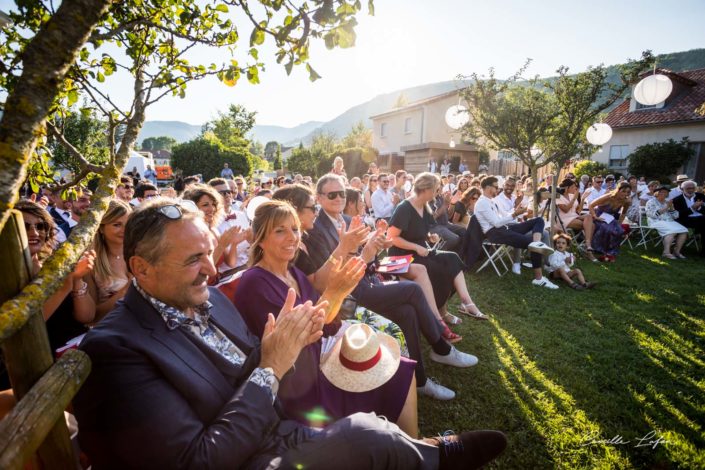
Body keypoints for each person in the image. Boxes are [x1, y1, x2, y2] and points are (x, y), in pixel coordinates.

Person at [73, 198, 507, 469]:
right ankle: (436, 455)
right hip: (248, 454)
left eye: (209, 253)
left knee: (371, 426)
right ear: (140, 269)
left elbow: (265, 362)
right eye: (193, 260)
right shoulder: (116, 348)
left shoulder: (208, 299)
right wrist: (272, 365)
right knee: (365, 434)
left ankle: (426, 450)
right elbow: (197, 459)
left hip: (276, 424)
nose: (211, 269)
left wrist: (292, 341)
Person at [233, 200, 418, 436]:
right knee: (399, 373)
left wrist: (338, 290)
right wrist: (335, 292)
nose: (292, 237)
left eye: (295, 229)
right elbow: (299, 339)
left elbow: (327, 320)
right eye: (280, 230)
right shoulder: (254, 283)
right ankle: (414, 450)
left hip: (321, 360)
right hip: (303, 387)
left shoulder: (291, 272)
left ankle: (413, 447)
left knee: (400, 368)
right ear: (259, 237)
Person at [305, 174, 478, 400]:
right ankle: (441, 348)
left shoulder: (346, 221)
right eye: (332, 195)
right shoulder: (316, 231)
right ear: (319, 198)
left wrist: (376, 244)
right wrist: (366, 254)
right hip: (349, 294)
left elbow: (362, 258)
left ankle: (420, 380)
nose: (339, 198)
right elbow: (329, 277)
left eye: (342, 194)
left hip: (365, 280)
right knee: (413, 290)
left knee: (407, 312)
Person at [388, 173, 487, 320]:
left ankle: (466, 302)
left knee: (452, 258)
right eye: (436, 189)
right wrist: (415, 247)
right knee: (438, 269)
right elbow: (391, 237)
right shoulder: (404, 208)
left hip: (421, 252)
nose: (437, 193)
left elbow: (422, 230)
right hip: (401, 257)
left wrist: (429, 236)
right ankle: (440, 314)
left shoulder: (425, 207)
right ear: (426, 189)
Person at [473, 176, 558, 289]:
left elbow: (500, 220)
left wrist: (516, 212)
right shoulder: (482, 203)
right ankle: (539, 279)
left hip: (504, 228)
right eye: (496, 187)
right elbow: (496, 223)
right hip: (495, 233)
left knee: (538, 220)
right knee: (532, 244)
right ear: (488, 187)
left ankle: (537, 243)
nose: (498, 189)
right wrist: (515, 214)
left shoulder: (490, 201)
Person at [86, 199, 132, 322]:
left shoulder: (143, 253)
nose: (124, 230)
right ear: (101, 228)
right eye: (117, 225)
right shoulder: (91, 262)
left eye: (128, 225)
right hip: (112, 328)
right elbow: (93, 316)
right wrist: (126, 290)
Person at [588, 182, 632, 262]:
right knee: (607, 229)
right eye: (623, 191)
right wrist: (595, 216)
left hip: (610, 218)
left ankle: (611, 251)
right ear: (618, 190)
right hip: (599, 216)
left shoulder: (626, 201)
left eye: (627, 192)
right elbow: (591, 205)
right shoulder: (608, 197)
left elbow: (623, 213)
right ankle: (599, 249)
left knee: (619, 230)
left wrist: (619, 224)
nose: (625, 194)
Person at [555, 179, 596, 261]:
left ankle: (587, 245)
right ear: (567, 188)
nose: (575, 189)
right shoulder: (558, 196)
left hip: (574, 216)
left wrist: (583, 199)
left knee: (588, 216)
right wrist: (574, 198)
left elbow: (578, 211)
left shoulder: (571, 195)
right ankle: (588, 249)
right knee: (591, 225)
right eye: (573, 187)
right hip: (563, 219)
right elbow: (566, 210)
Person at [645, 186, 689, 259]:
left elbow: (676, 216)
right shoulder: (651, 202)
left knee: (684, 230)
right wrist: (666, 207)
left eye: (666, 192)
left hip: (669, 221)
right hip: (656, 221)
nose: (664, 194)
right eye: (662, 192)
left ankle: (676, 251)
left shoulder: (667, 202)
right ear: (657, 193)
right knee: (671, 231)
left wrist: (671, 208)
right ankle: (666, 252)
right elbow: (653, 215)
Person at [671, 180, 704, 256]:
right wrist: (692, 208)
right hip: (685, 220)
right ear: (682, 189)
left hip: (701, 219)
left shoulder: (701, 196)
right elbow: (679, 214)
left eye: (693, 188)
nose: (691, 190)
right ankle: (678, 250)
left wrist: (699, 208)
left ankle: (703, 252)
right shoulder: (677, 200)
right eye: (688, 188)